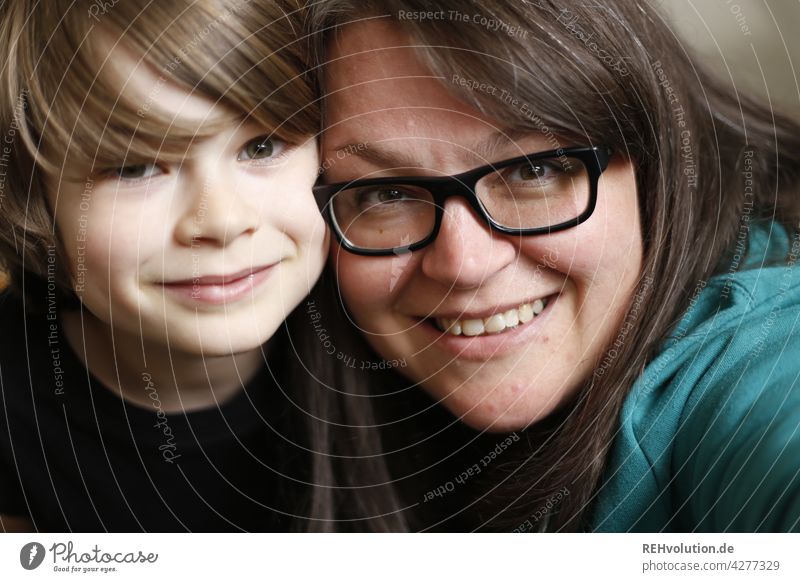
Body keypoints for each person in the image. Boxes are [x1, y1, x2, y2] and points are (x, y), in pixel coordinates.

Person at [310, 0, 800, 531]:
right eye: (385, 194)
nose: (464, 264)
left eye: (534, 170)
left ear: (657, 166)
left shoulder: (763, 355)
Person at [0, 0, 333, 532]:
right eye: (135, 167)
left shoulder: (396, 342)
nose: (222, 221)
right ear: (33, 199)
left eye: (261, 146)